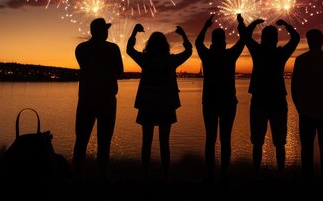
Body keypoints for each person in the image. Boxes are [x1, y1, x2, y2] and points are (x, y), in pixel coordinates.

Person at [127, 23, 192, 180]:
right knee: (164, 142)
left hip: (147, 104)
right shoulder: (170, 61)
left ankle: (145, 175)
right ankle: (166, 175)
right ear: (165, 45)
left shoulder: (145, 60)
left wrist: (134, 32)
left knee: (146, 142)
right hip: (166, 104)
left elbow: (129, 50)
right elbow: (189, 51)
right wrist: (183, 35)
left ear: (150, 45)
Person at [239, 16, 300, 178]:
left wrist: (253, 23)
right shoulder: (281, 53)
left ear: (262, 38)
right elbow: (296, 38)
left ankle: (257, 174)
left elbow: (245, 36)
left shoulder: (257, 51)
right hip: (278, 101)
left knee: (257, 142)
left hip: (259, 101)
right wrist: (286, 24)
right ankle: (280, 175)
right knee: (280, 143)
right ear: (276, 39)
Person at [73, 18, 124, 182]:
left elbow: (86, 67)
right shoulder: (112, 48)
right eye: (106, 29)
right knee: (104, 141)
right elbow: (120, 70)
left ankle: (77, 177)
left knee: (81, 139)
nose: (108, 32)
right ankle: (101, 178)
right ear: (102, 31)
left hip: (86, 98)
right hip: (107, 99)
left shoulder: (81, 48)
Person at [195, 14, 244, 182]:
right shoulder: (230, 55)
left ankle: (210, 175)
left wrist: (205, 25)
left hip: (209, 102)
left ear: (212, 41)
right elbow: (243, 40)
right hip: (228, 102)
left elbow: (197, 43)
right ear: (223, 41)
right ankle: (223, 174)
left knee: (210, 139)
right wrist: (241, 23)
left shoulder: (207, 56)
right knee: (226, 139)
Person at [291, 29, 323, 186]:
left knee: (307, 149)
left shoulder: (301, 60)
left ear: (309, 41)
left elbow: (294, 88)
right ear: (322, 41)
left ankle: (308, 181)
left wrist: (300, 107)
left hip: (306, 112)